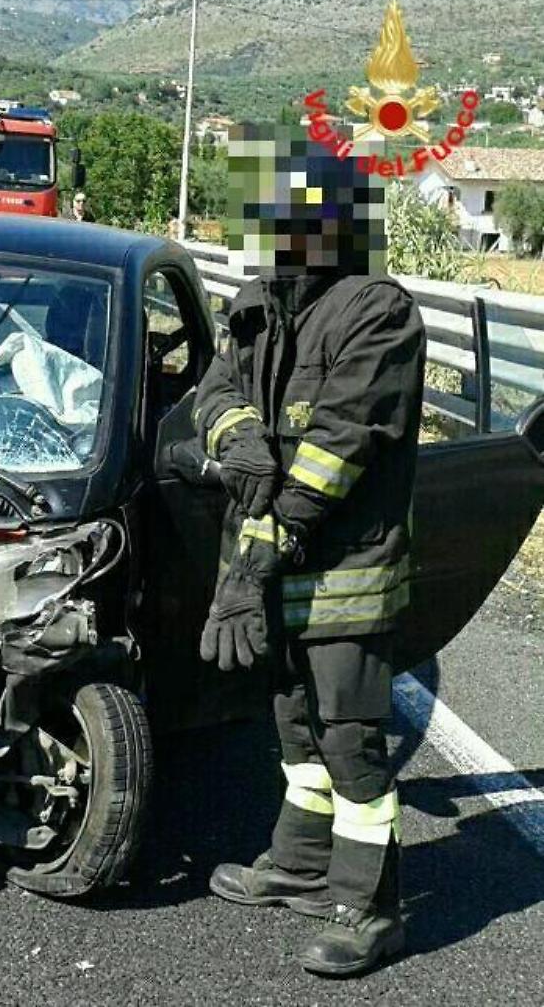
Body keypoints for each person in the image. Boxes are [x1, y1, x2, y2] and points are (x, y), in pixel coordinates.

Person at [190, 125, 425, 977]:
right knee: (293, 723)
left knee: (351, 736)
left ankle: (371, 907)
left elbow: (339, 448)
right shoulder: (258, 301)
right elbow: (215, 387)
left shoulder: (377, 309)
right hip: (275, 563)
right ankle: (299, 864)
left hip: (343, 571)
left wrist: (255, 565)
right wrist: (236, 427)